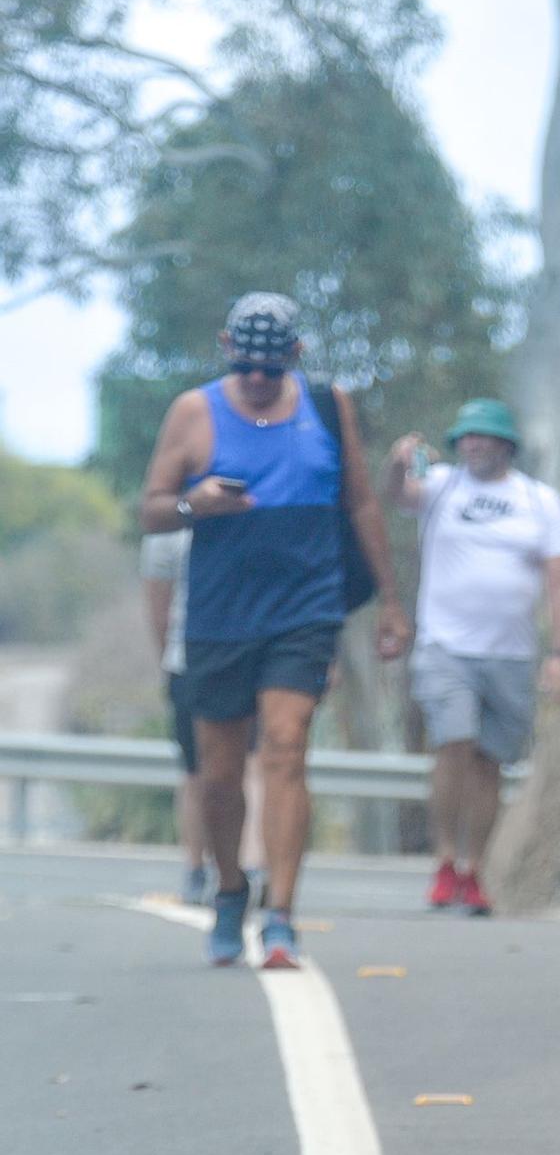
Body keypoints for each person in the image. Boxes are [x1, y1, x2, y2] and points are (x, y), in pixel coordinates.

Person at [139, 292, 409, 967]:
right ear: (228, 347)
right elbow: (149, 512)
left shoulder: (326, 406)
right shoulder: (194, 411)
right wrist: (192, 503)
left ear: (296, 356)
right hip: (220, 617)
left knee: (288, 747)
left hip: (304, 610)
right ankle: (231, 889)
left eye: (272, 367)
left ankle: (281, 914)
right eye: (248, 364)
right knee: (219, 774)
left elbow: (361, 502)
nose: (259, 379)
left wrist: (392, 604)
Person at [382, 399, 560, 915]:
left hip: (510, 655)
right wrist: (399, 462)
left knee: (489, 762)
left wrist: (559, 653)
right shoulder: (441, 486)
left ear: (505, 444)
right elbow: (396, 495)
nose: (472, 444)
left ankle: (474, 869)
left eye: (483, 437)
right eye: (465, 437)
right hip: (446, 647)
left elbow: (559, 581)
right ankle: (444, 859)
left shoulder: (539, 501)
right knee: (454, 742)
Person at [140, 526, 265, 904]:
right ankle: (196, 867)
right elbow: (158, 607)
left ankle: (251, 865)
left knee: (253, 764)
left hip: (248, 658)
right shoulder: (167, 529)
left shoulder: (256, 514)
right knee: (196, 769)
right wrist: (172, 659)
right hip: (190, 661)